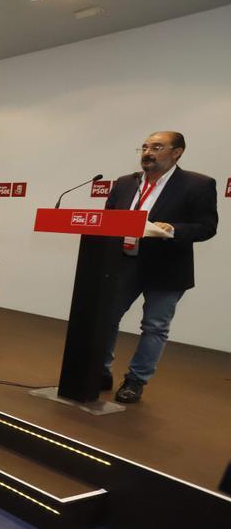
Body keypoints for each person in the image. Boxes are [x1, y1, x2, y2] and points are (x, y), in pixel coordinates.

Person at [100, 131, 218, 403]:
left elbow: (207, 227)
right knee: (105, 317)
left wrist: (174, 228)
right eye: (144, 147)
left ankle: (135, 380)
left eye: (157, 147)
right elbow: (108, 219)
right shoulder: (125, 183)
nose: (147, 152)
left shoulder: (197, 184)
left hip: (167, 267)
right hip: (124, 263)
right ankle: (101, 370)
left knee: (154, 326)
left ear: (177, 152)